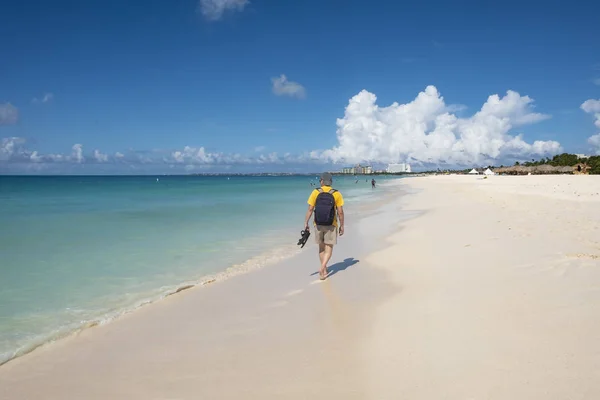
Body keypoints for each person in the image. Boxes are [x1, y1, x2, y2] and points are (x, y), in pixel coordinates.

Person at [303, 172, 344, 280]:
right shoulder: (336, 193)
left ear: (321, 181)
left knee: (321, 248)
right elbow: (340, 212)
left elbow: (310, 209)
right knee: (329, 248)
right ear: (330, 182)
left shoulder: (315, 192)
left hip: (318, 224)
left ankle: (323, 270)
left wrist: (306, 222)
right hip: (331, 224)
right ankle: (323, 268)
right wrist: (342, 225)